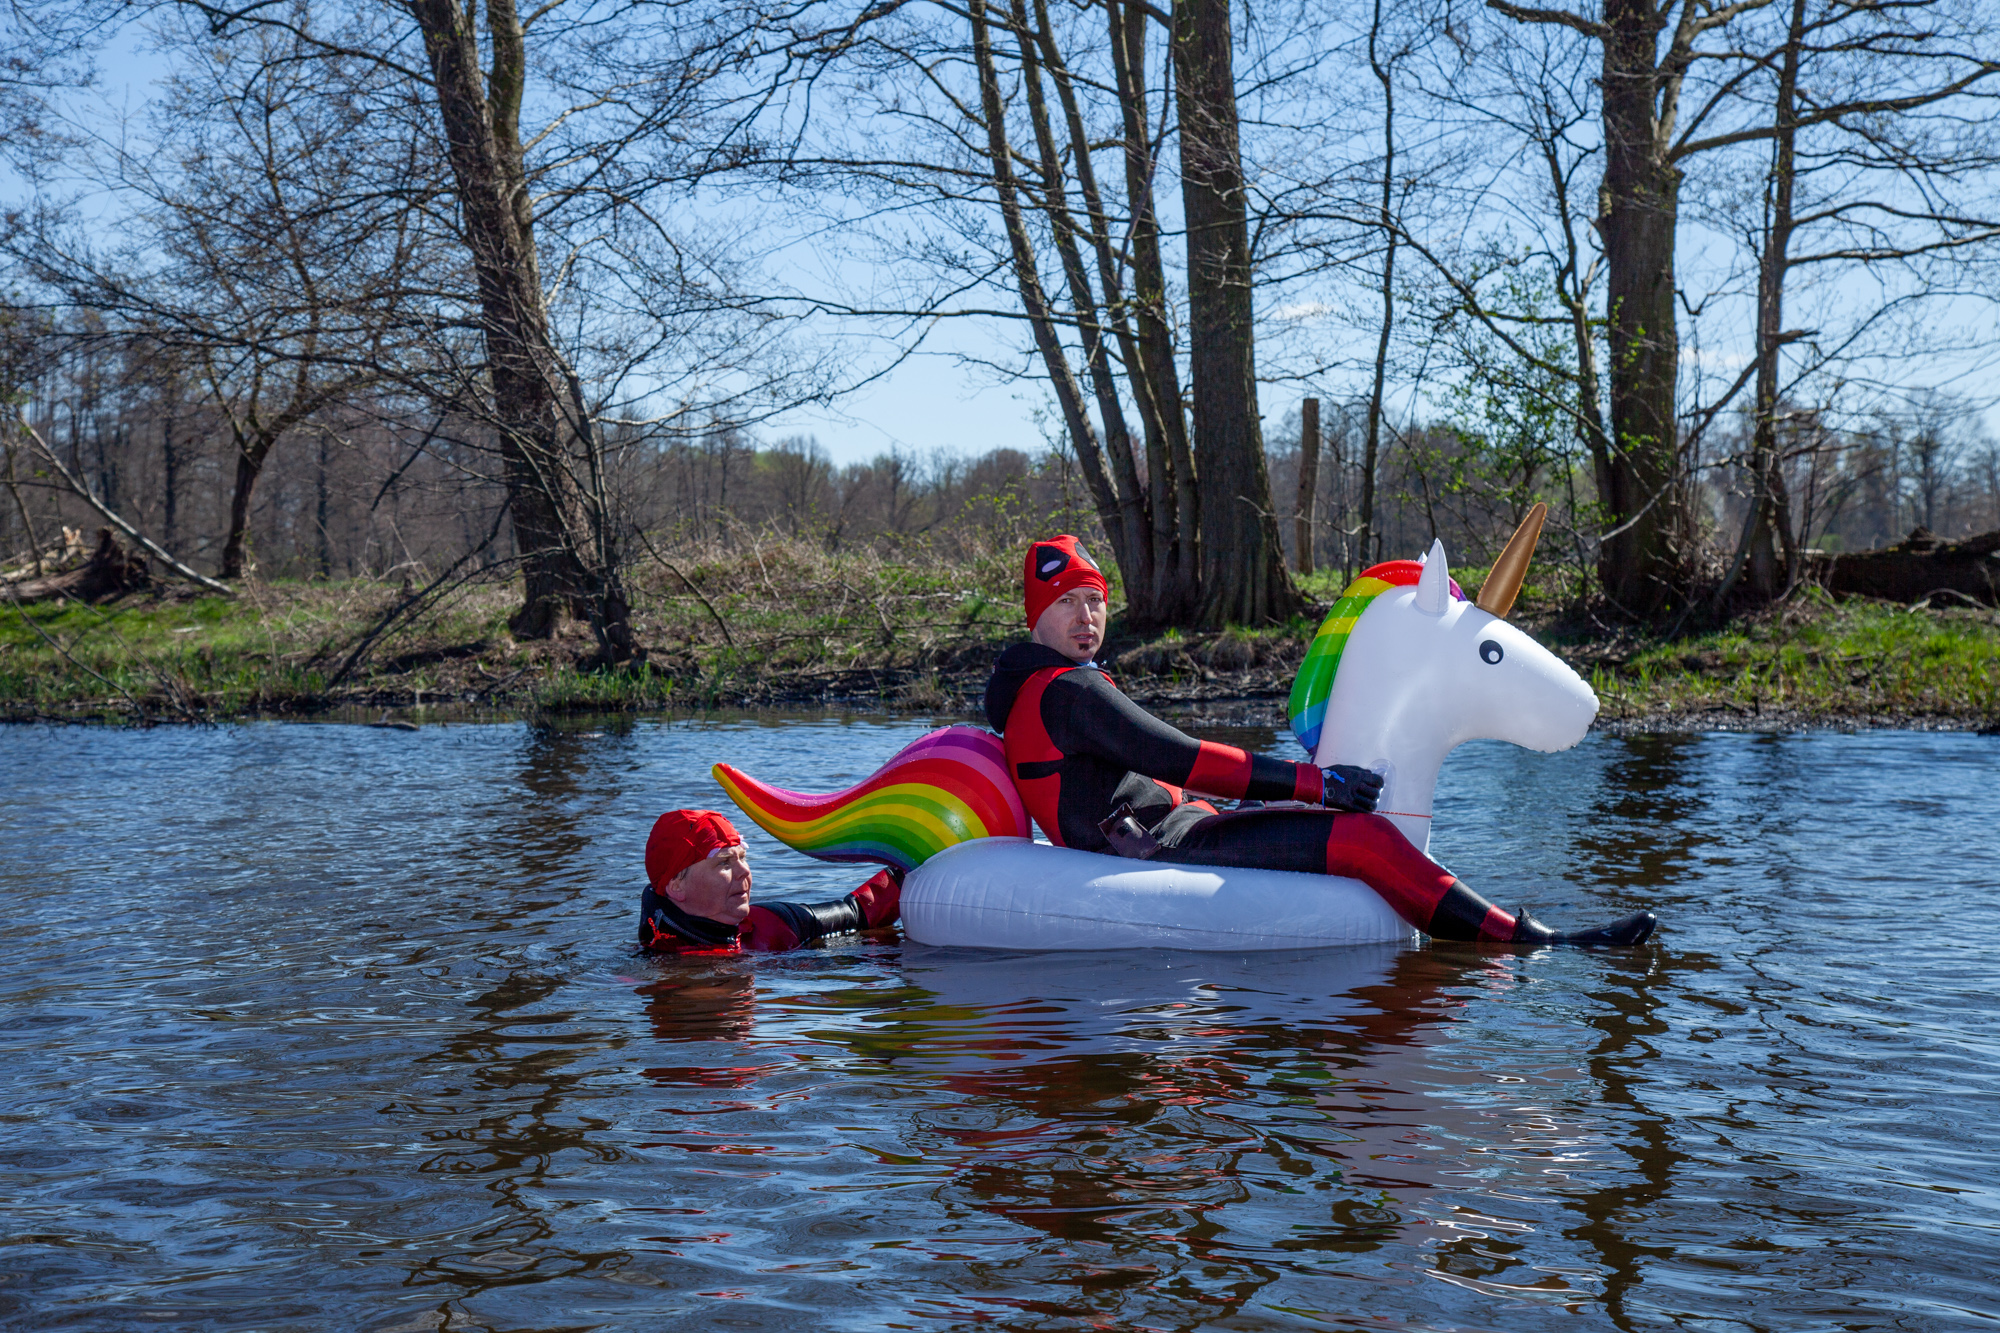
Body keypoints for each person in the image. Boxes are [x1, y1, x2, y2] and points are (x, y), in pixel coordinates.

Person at [983, 535, 1654, 947]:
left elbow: (1153, 770)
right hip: (1168, 844)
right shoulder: (1067, 691)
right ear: (1036, 616)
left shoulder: (1047, 686)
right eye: (1067, 602)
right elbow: (1175, 757)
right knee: (1363, 837)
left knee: (1328, 822)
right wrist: (1318, 783)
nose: (1087, 616)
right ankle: (1529, 941)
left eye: (1095, 600)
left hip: (1181, 826)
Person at [638, 808, 902, 954]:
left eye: (743, 858)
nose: (744, 872)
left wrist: (911, 870)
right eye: (724, 863)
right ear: (677, 885)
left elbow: (858, 913)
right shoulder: (656, 970)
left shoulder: (775, 922)